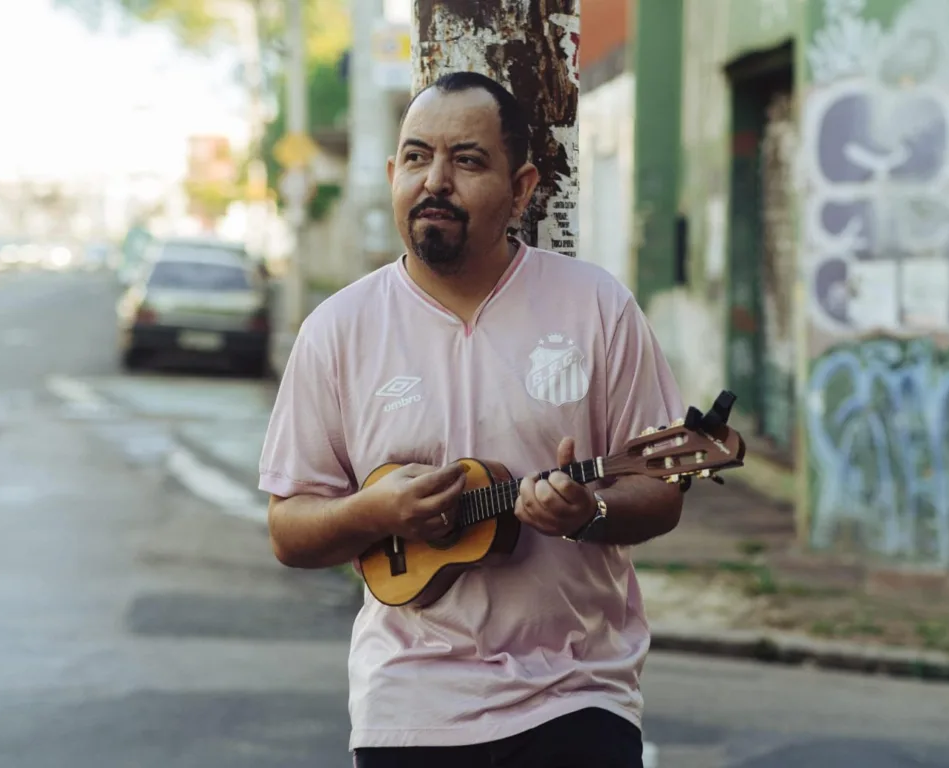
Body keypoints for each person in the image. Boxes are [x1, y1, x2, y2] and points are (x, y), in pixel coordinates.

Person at [259, 71, 687, 768]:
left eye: (467, 160)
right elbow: (288, 529)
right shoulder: (337, 330)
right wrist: (374, 512)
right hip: (409, 706)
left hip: (578, 692)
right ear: (395, 172)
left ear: (520, 190)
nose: (436, 181)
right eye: (419, 157)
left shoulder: (596, 307)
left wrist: (589, 512)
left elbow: (661, 489)